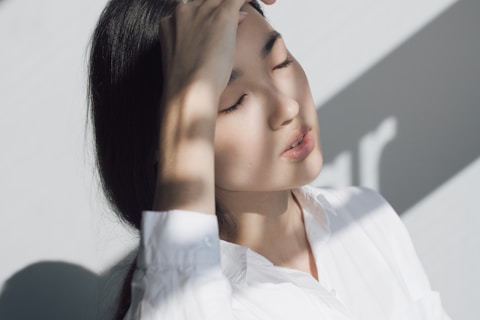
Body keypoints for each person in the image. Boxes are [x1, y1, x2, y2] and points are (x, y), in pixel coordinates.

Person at [88, 0, 451, 319]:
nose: (287, 106)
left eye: (280, 62)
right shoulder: (203, 298)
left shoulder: (367, 217)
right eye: (233, 101)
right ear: (166, 137)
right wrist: (190, 95)